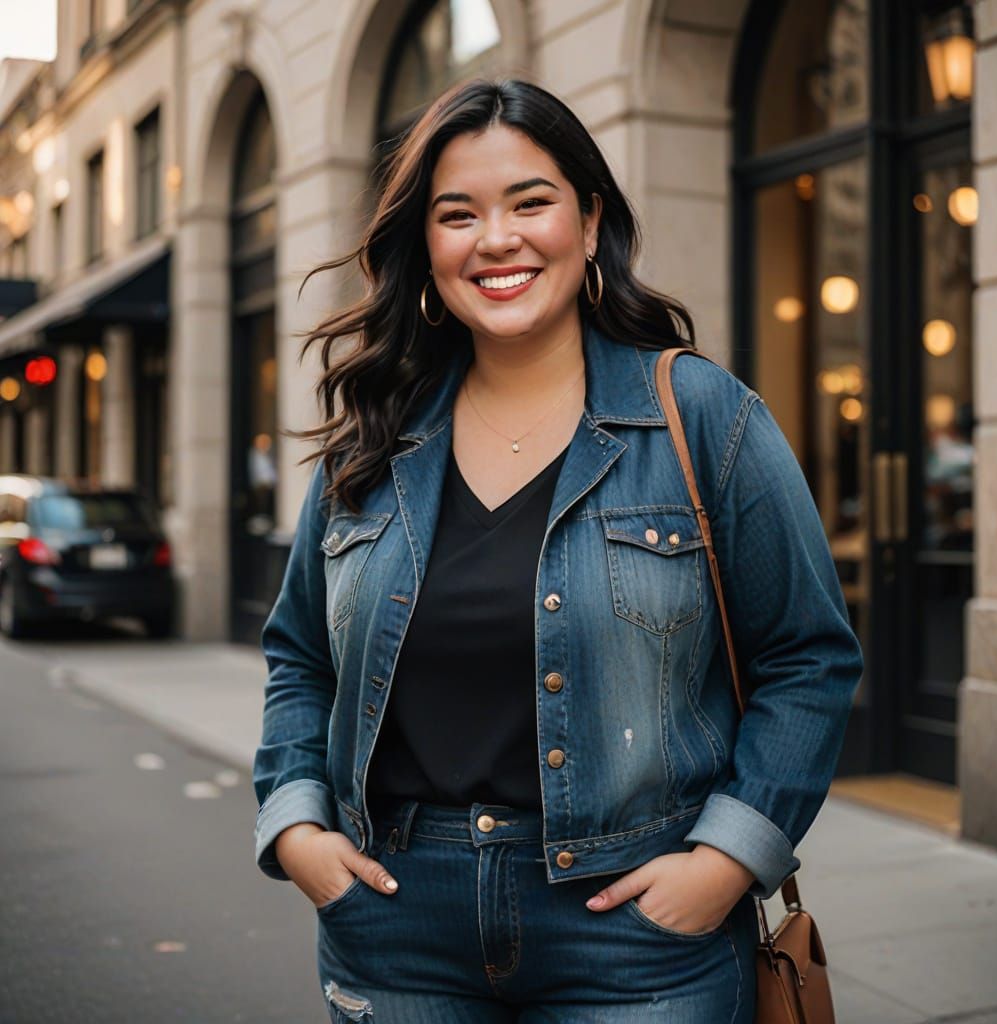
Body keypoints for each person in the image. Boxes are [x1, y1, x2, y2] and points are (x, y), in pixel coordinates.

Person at [252, 78, 863, 1023]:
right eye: (458, 214)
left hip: (636, 936)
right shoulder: (375, 442)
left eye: (530, 202)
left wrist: (727, 859)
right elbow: (300, 655)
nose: (496, 239)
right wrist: (295, 826)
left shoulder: (699, 416)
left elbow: (808, 657)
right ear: (427, 248)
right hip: (396, 923)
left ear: (589, 223)